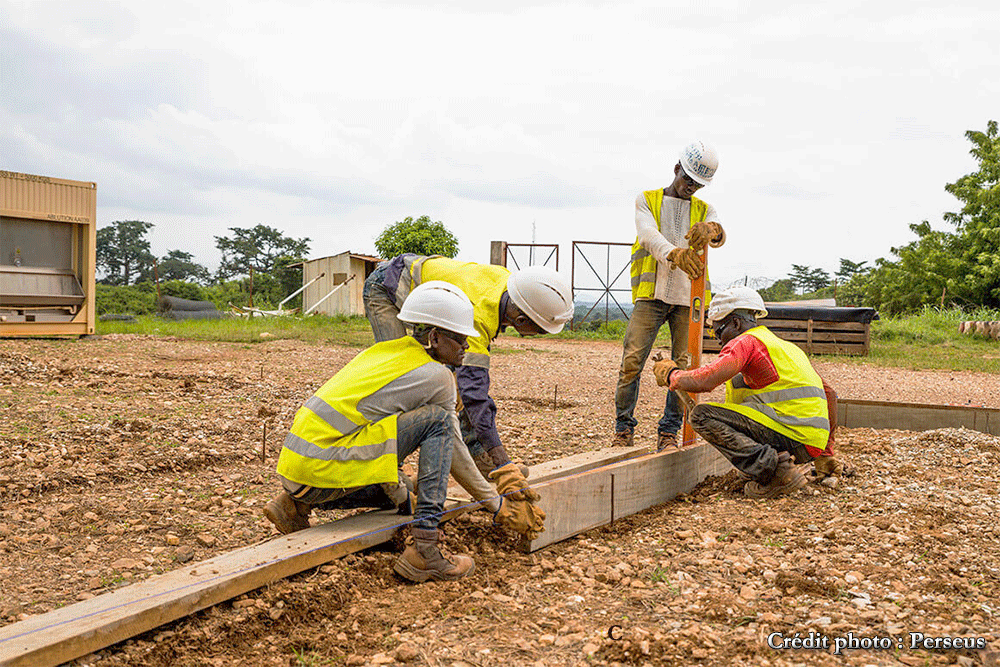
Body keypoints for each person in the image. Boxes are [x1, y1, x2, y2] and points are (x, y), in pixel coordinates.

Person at [264, 281, 544, 582]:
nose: (466, 347)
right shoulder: (436, 376)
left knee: (407, 490)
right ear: (435, 338)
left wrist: (404, 490)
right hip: (322, 471)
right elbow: (455, 449)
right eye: (461, 340)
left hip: (299, 472)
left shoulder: (391, 351)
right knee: (437, 421)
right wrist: (496, 504)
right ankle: (425, 547)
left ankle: (294, 505)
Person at [363, 255, 574, 487]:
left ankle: (478, 458)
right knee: (403, 376)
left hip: (431, 295)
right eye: (540, 331)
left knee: (455, 388)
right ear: (522, 320)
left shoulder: (511, 288)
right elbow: (476, 397)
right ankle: (388, 471)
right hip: (388, 286)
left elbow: (468, 389)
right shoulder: (477, 317)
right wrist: (504, 462)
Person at [652, 286, 847, 498]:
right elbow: (828, 393)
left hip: (790, 436)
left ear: (735, 323)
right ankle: (775, 465)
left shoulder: (746, 342)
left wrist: (673, 375)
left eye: (718, 331)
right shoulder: (786, 347)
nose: (718, 339)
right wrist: (825, 454)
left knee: (701, 415)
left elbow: (706, 380)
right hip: (808, 444)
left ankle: (775, 472)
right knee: (737, 390)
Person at [615, 140, 725, 452]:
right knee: (631, 362)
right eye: (687, 179)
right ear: (676, 169)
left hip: (687, 300)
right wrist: (674, 254)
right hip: (650, 297)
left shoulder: (704, 210)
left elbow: (718, 230)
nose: (691, 187)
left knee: (685, 368)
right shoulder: (646, 200)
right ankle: (623, 430)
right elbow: (648, 236)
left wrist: (712, 231)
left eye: (698, 183)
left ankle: (669, 432)